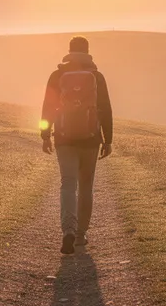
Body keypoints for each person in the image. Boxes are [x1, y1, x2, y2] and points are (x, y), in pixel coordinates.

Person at [40, 35, 113, 255]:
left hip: (64, 138)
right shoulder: (96, 76)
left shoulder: (57, 75)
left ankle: (67, 231)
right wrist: (107, 139)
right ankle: (81, 235)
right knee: (86, 187)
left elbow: (48, 107)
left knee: (68, 184)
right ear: (88, 51)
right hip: (91, 139)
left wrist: (45, 134)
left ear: (69, 51)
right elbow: (105, 109)